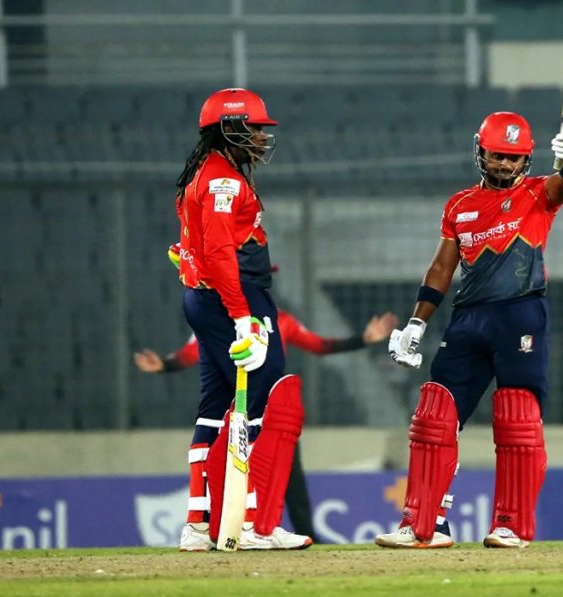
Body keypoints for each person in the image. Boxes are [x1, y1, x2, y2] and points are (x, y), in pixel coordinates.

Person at [375, 112, 563, 550]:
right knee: (434, 414)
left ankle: (510, 525)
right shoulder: (459, 205)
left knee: (517, 417)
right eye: (497, 155)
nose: (505, 164)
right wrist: (417, 322)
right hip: (469, 317)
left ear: (527, 159)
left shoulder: (537, 194)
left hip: (520, 314)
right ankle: (424, 525)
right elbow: (441, 268)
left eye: (514, 157)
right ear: (481, 152)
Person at [134, 260, 398, 544]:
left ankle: (300, 533)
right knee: (241, 465)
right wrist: (166, 364)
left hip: (274, 408)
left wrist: (362, 339)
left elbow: (319, 345)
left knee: (291, 478)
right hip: (240, 407)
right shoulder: (222, 316)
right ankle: (240, 527)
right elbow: (192, 351)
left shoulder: (282, 320)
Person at [172, 87, 310, 551]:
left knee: (214, 408)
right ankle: (248, 523)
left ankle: (198, 525)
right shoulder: (222, 181)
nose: (261, 138)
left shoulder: (207, 173)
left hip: (205, 297)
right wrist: (241, 316)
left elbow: (200, 243)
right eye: (252, 128)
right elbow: (218, 251)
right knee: (264, 399)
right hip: (232, 298)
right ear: (228, 129)